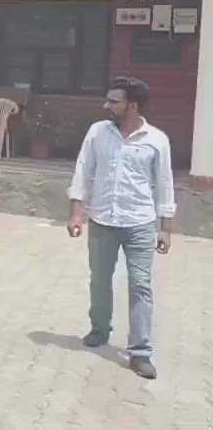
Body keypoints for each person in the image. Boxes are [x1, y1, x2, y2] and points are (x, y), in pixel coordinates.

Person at [67, 76, 176, 380]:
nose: (107, 105)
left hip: (139, 224)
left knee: (140, 285)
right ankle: (99, 329)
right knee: (100, 280)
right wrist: (77, 212)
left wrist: (165, 227)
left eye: (114, 101)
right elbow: (83, 169)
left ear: (133, 104)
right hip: (102, 221)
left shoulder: (156, 139)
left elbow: (164, 184)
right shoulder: (97, 132)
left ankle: (140, 352)